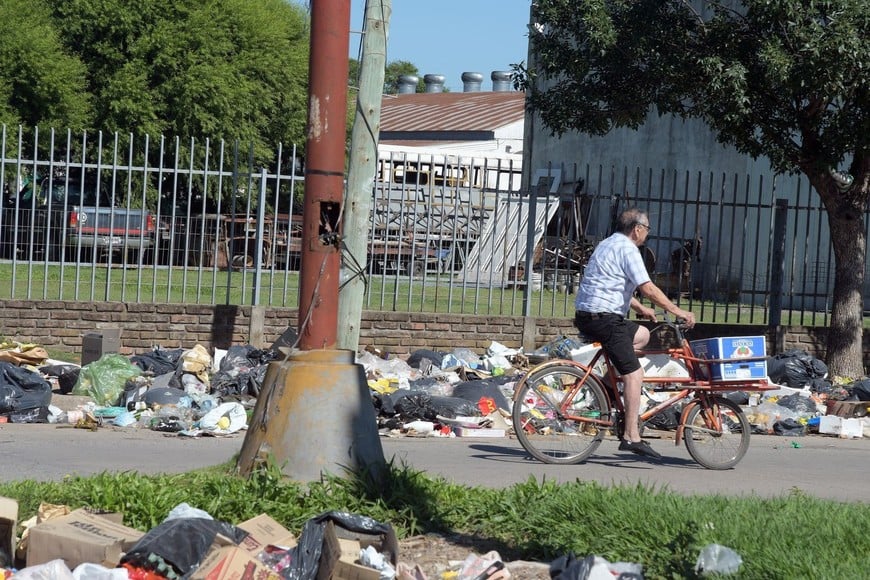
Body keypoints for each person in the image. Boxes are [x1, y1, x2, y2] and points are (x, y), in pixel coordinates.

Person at [574, 208, 696, 459]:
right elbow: (648, 287)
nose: (647, 234)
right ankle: (631, 435)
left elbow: (609, 283)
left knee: (642, 335)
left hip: (590, 315)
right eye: (647, 229)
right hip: (605, 319)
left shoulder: (607, 244)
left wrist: (640, 308)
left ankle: (607, 388)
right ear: (637, 229)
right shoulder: (629, 249)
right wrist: (677, 311)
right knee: (634, 374)